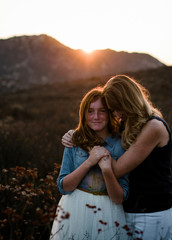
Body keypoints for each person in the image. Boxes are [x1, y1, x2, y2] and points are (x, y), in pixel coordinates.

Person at [62, 75, 172, 239]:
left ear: (129, 102)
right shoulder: (128, 124)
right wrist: (75, 134)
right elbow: (103, 133)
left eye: (117, 108)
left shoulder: (153, 126)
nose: (116, 114)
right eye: (112, 110)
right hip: (128, 210)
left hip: (151, 212)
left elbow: (116, 169)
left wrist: (84, 142)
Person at [50, 87, 130, 240]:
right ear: (84, 115)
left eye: (102, 111)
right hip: (74, 209)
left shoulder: (122, 144)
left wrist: (107, 171)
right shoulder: (75, 140)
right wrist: (90, 162)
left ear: (109, 113)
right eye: (90, 111)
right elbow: (64, 187)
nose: (96, 117)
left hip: (109, 212)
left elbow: (120, 197)